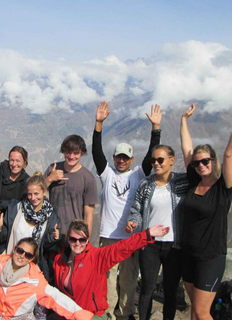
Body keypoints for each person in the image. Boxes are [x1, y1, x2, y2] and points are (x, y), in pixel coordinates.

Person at [179, 104, 232, 320]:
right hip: (188, 254)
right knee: (195, 309)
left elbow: (229, 155)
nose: (201, 165)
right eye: (197, 162)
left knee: (202, 313)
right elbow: (186, 148)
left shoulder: (223, 187)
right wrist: (183, 120)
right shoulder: (194, 181)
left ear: (213, 161)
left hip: (210, 257)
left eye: (205, 161)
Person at [92, 101, 162, 320]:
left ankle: (125, 314)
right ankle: (107, 313)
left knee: (128, 279)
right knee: (107, 278)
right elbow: (96, 152)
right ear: (114, 158)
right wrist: (98, 124)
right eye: (118, 156)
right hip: (108, 236)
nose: (121, 160)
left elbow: (152, 155)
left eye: (125, 157)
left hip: (130, 239)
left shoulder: (138, 175)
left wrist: (156, 130)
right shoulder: (107, 174)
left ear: (131, 159)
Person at [0, 172, 61, 319]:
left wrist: (53, 238)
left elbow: (45, 245)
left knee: (41, 295)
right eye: (30, 194)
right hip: (8, 257)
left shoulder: (51, 215)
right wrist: (0, 229)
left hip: (31, 263)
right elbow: (3, 237)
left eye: (37, 194)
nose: (33, 198)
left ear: (44, 192)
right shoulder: (16, 208)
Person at [53, 219, 170, 319]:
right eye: (73, 239)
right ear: (68, 239)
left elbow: (122, 248)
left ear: (87, 240)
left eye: (82, 240)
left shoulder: (97, 257)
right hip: (68, 315)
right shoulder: (59, 261)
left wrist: (146, 235)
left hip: (92, 315)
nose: (77, 243)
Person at [127, 145, 190, 320]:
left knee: (170, 290)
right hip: (150, 244)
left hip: (174, 246)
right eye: (153, 160)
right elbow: (136, 209)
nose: (156, 163)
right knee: (147, 289)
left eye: (160, 160)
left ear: (172, 160)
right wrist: (133, 222)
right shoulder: (145, 184)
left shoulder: (183, 182)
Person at [44, 135, 98, 240]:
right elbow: (36, 194)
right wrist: (49, 179)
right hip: (51, 233)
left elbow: (88, 215)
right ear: (63, 151)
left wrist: (85, 241)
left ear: (82, 153)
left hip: (74, 238)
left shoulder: (88, 179)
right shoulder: (52, 169)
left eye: (76, 153)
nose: (71, 156)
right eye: (68, 152)